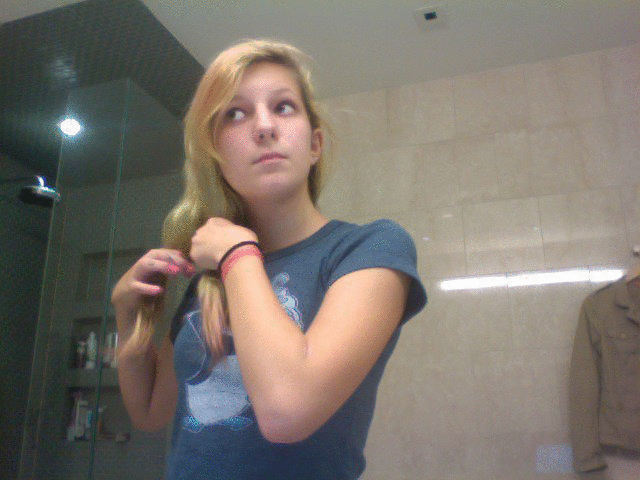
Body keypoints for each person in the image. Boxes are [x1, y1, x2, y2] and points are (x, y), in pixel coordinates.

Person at [111, 38, 427, 480]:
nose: (263, 127)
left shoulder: (370, 248)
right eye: (235, 114)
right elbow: (150, 411)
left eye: (283, 107)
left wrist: (236, 253)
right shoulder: (210, 280)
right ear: (216, 155)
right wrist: (129, 316)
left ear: (315, 144)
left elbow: (287, 412)